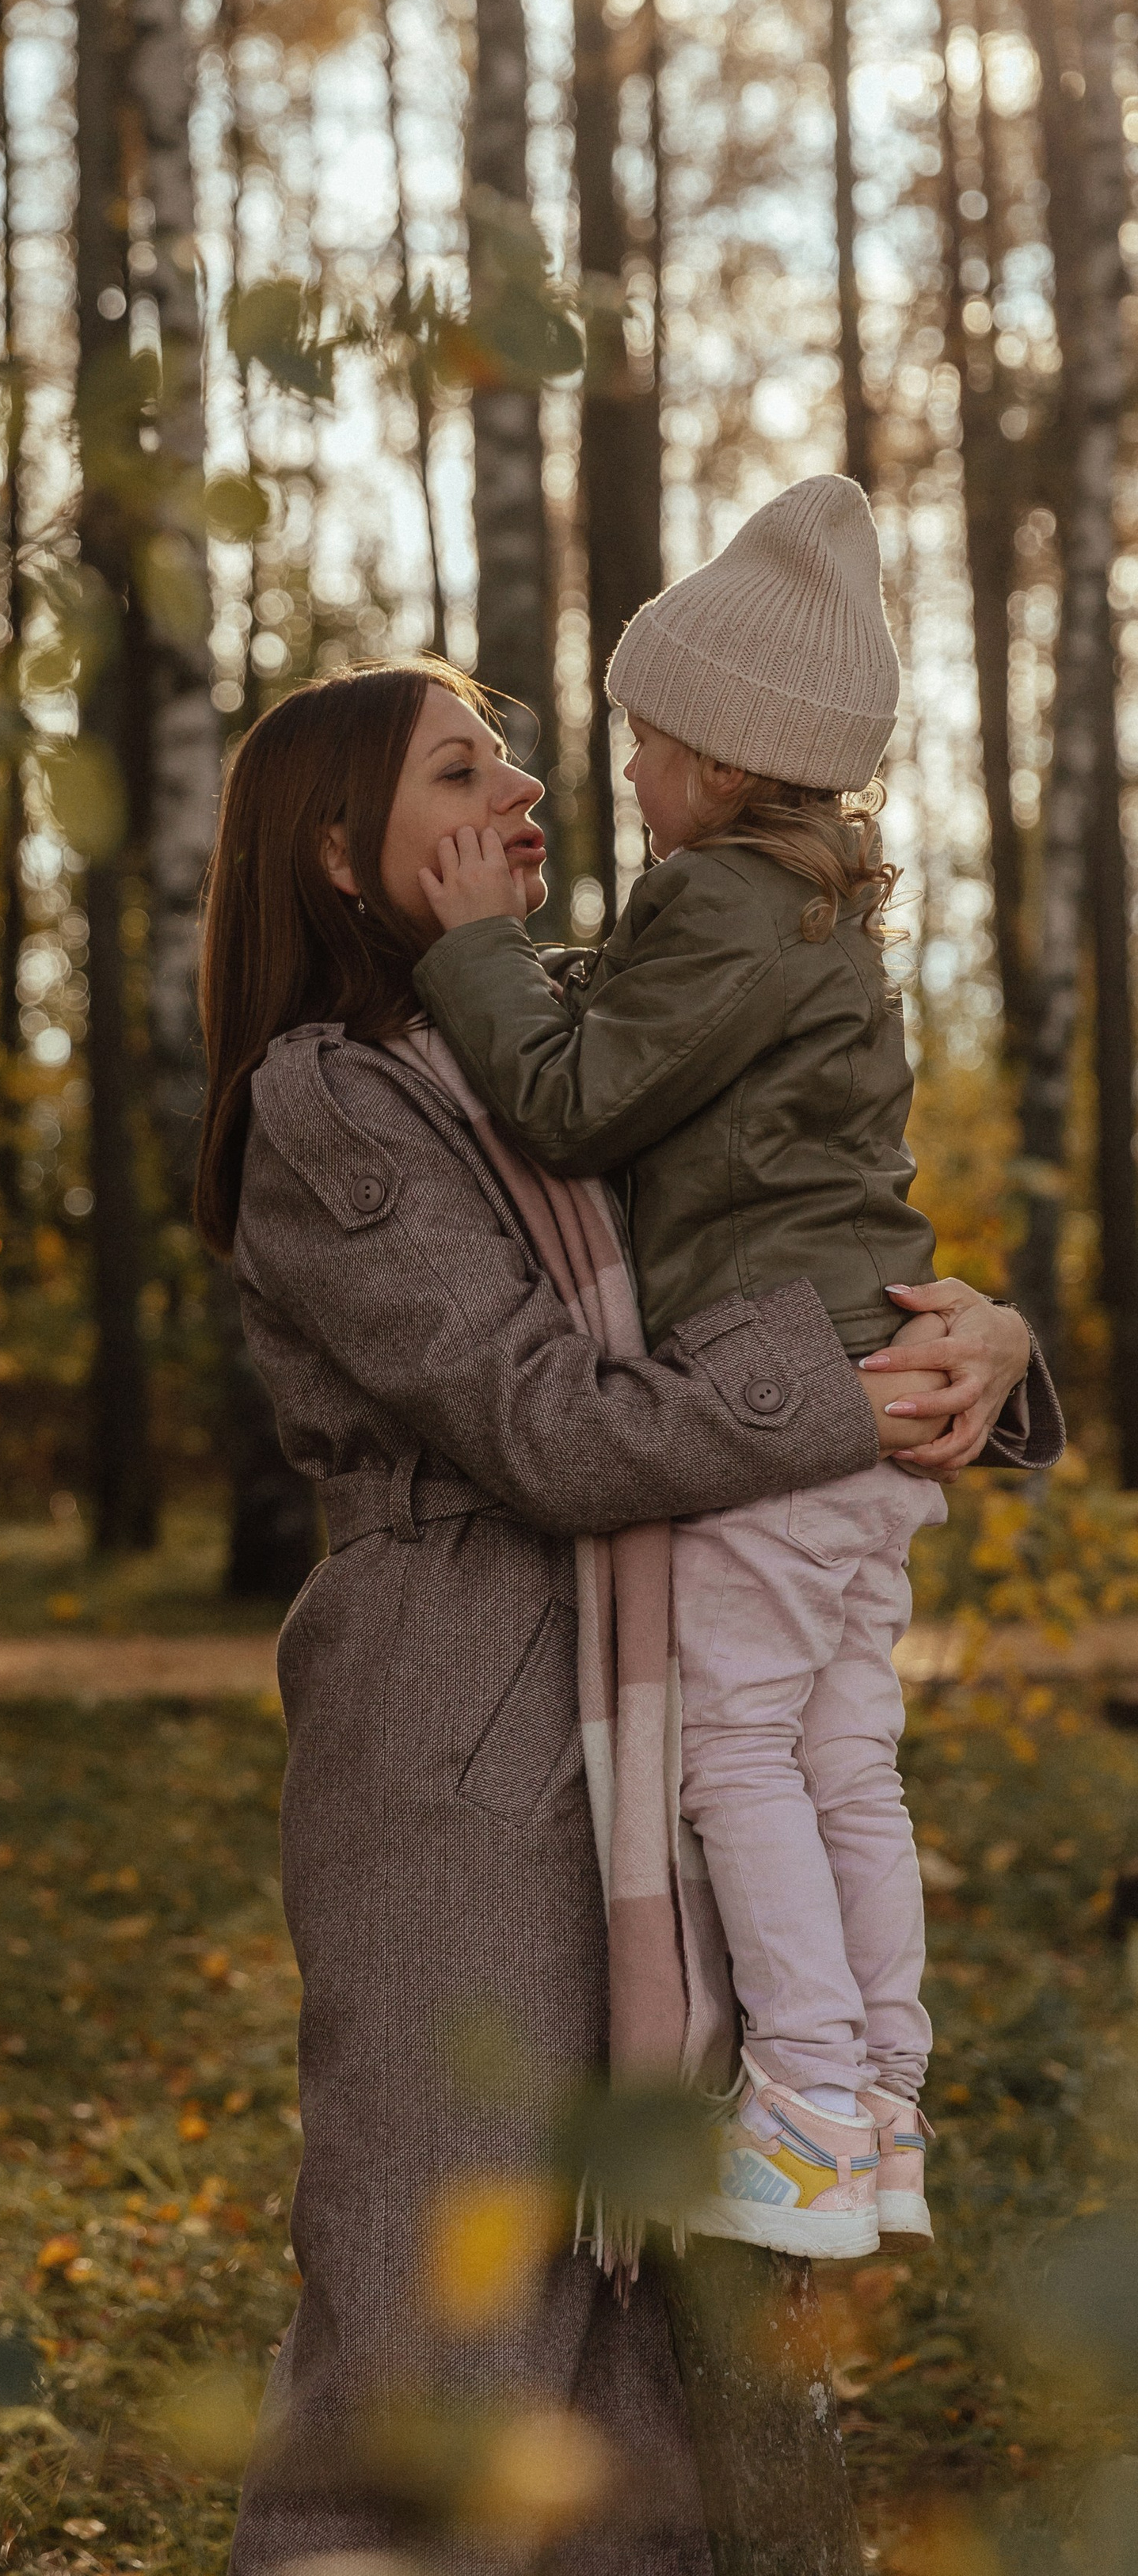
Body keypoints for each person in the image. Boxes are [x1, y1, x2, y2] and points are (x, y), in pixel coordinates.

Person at [195, 653, 1058, 2574]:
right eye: (458, 766)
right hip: (462, 1740)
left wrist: (987, 1343)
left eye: (511, 753)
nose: (522, 788)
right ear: (339, 854)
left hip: (667, 1691)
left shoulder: (568, 1025)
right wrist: (849, 1397)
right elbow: (548, 1426)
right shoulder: (325, 1108)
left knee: (677, 2358)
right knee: (442, 2318)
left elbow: (795, 1216)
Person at [412, 474, 1014, 2265]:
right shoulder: (812, 907)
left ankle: (810, 2116)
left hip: (769, 1380)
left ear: (719, 755)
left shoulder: (720, 904)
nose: (626, 778)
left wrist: (473, 957)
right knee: (844, 1757)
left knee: (734, 1750)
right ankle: (883, 2113)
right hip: (864, 1391)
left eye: (643, 744)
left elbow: (573, 1097)